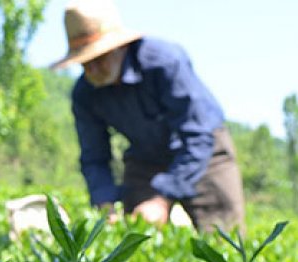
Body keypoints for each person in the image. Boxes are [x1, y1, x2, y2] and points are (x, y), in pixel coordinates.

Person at [51, 0, 246, 233]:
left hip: (203, 152)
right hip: (145, 158)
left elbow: (198, 136)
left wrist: (163, 198)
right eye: (84, 64)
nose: (91, 71)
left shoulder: (164, 62)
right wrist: (105, 203)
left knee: (225, 239)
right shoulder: (85, 94)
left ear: (119, 47)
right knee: (134, 238)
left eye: (98, 60)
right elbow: (94, 158)